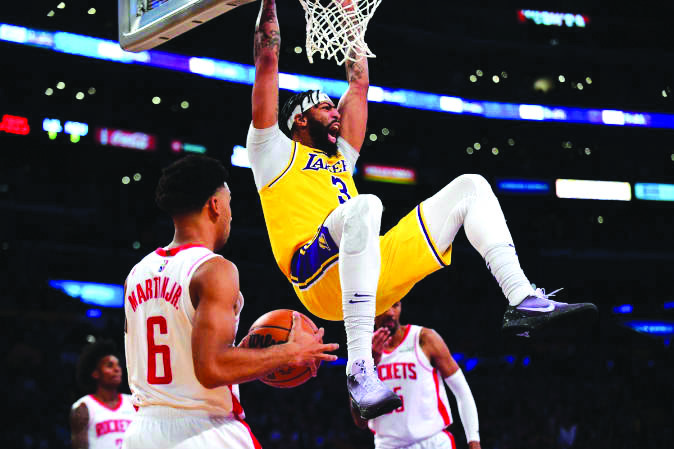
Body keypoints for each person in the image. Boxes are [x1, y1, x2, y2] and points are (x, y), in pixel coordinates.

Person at [246, 0, 596, 420]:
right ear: (299, 120)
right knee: (366, 206)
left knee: (472, 187)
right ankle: (360, 368)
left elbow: (357, 86)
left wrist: (352, 22)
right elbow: (267, 57)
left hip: (368, 267)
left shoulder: (341, 157)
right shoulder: (271, 152)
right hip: (314, 274)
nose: (336, 110)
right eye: (325, 107)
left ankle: (520, 297)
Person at [121, 155, 339, 449]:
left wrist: (247, 354)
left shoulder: (135, 274)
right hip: (202, 431)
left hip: (141, 433)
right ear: (215, 205)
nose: (231, 215)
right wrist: (290, 352)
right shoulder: (214, 269)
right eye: (229, 203)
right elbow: (211, 369)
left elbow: (185, 355)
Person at [350, 302, 481, 449]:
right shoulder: (362, 356)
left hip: (433, 441)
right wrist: (368, 370)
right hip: (389, 445)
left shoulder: (424, 338)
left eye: (395, 305)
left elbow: (462, 391)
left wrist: (474, 441)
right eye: (385, 305)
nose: (390, 312)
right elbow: (359, 421)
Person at [70, 339, 136, 449]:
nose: (117, 369)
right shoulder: (84, 406)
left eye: (118, 365)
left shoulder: (133, 402)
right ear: (96, 373)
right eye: (110, 365)